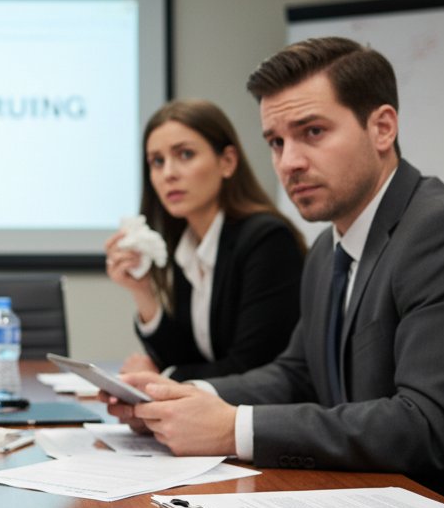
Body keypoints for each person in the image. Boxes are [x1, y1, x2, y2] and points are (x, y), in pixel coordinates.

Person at [109, 37, 444, 501]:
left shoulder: (438, 229)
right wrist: (181, 395)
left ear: (382, 128)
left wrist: (235, 428)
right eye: (276, 142)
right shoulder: (324, 251)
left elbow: (428, 424)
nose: (289, 162)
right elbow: (296, 375)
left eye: (312, 132)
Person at [105, 99, 305, 380]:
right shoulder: (188, 244)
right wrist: (143, 293)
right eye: (157, 161)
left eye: (185, 154)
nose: (168, 174)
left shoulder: (267, 240)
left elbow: (254, 367)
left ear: (227, 162)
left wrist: (162, 378)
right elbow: (190, 356)